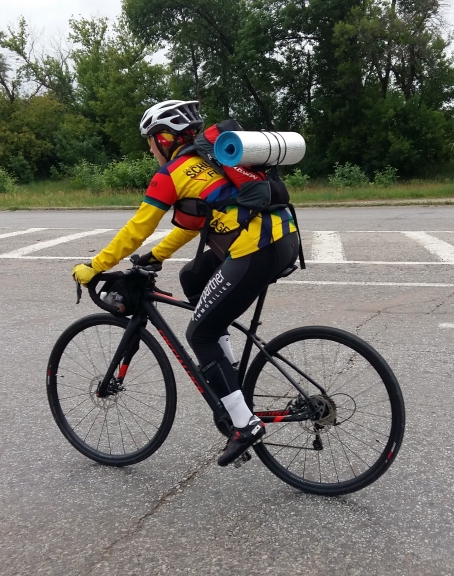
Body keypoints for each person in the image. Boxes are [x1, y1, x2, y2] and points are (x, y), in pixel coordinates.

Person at [71, 100, 300, 466]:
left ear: (164, 139)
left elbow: (138, 227)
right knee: (192, 277)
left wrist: (94, 265)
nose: (151, 150)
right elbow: (191, 226)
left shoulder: (173, 172)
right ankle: (229, 377)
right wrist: (155, 256)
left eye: (150, 142)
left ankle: (244, 425)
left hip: (255, 248)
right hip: (283, 238)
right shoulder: (209, 163)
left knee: (199, 335)